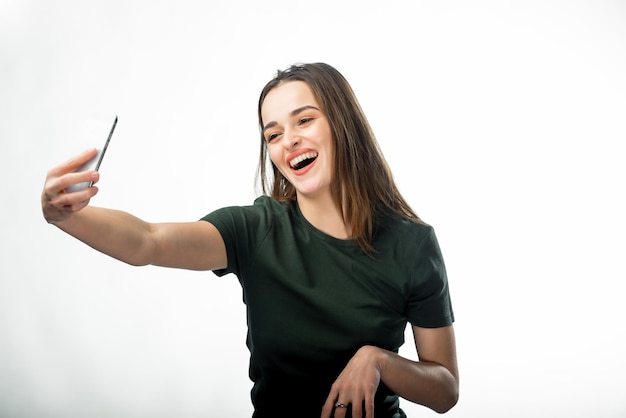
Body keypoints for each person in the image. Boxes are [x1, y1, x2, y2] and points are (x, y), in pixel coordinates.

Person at [41, 63, 459, 418]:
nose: (288, 140)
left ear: (342, 123)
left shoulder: (412, 244)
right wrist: (66, 216)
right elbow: (147, 241)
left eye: (304, 120)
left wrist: (380, 360)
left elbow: (445, 389)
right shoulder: (255, 230)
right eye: (273, 134)